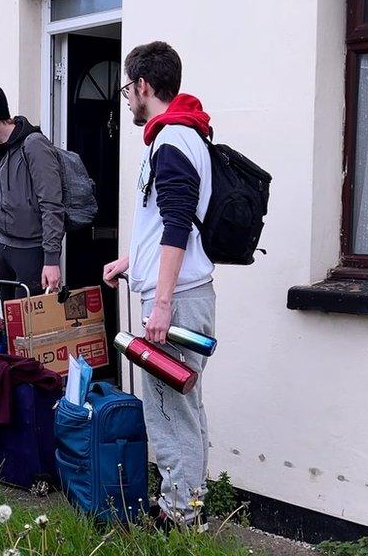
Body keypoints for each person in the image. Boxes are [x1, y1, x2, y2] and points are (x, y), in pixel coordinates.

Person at [103, 41, 215, 530]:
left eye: (128, 88)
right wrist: (133, 260)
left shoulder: (171, 141)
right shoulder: (185, 135)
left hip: (178, 302)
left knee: (169, 411)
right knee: (182, 406)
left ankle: (180, 518)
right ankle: (187, 503)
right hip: (186, 293)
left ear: (144, 86)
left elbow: (177, 226)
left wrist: (162, 303)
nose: (127, 98)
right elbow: (171, 222)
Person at [0, 80, 64, 299]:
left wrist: (51, 260)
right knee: (10, 325)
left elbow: (51, 205)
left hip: (31, 252)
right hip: (3, 250)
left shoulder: (34, 144)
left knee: (31, 328)